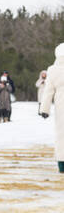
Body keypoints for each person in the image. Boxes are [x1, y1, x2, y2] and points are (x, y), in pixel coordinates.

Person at [38, 43, 64, 173]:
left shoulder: (52, 70)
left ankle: (62, 163)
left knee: (61, 134)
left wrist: (44, 109)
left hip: (61, 105)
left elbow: (48, 91)